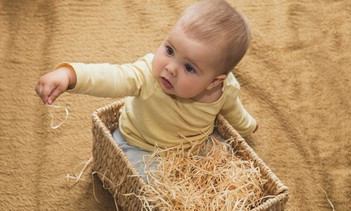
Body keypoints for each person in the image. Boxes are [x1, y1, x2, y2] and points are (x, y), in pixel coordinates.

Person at [35, 0, 258, 174]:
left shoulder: (225, 89)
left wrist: (249, 126)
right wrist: (70, 75)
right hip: (141, 146)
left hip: (192, 149)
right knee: (153, 190)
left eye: (189, 68)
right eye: (170, 50)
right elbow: (112, 77)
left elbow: (234, 111)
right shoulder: (147, 76)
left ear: (213, 82)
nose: (170, 68)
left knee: (224, 158)